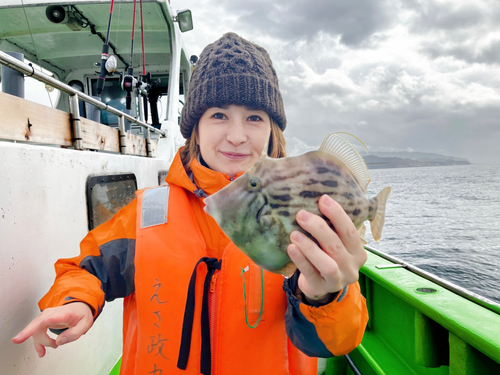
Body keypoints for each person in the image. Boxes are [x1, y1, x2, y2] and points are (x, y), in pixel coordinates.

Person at [13, 32, 368, 374]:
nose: (237, 135)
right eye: (218, 115)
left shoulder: (302, 214)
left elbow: (336, 342)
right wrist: (78, 301)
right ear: (194, 126)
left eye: (255, 118)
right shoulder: (148, 212)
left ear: (272, 129)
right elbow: (85, 269)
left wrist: (323, 297)